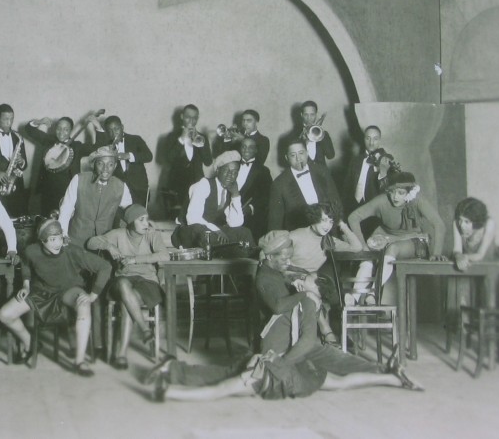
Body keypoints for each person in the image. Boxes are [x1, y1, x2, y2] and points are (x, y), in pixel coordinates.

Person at [149, 230, 421, 402]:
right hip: (280, 345)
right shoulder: (265, 279)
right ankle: (174, 372)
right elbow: (279, 306)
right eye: (282, 257)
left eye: (289, 255)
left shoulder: (276, 273)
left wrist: (302, 286)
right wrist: (306, 294)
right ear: (267, 256)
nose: (287, 261)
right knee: (230, 375)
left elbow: (291, 297)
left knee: (342, 363)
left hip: (292, 341)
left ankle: (387, 372)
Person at [0, 220, 111, 377]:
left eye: (59, 238)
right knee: (5, 314)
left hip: (69, 290)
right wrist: (26, 285)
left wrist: (93, 295)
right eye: (51, 240)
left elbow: (105, 267)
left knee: (84, 307)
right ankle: (30, 343)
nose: (57, 243)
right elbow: (25, 264)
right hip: (42, 291)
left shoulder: (72, 251)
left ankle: (80, 361)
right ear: (42, 241)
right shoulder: (32, 251)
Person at [86, 204, 170, 369]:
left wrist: (134, 260)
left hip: (147, 281)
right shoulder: (118, 234)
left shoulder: (152, 234)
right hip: (122, 280)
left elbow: (164, 255)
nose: (146, 223)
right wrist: (108, 246)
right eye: (141, 220)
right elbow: (91, 243)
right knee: (124, 284)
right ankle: (145, 329)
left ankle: (122, 354)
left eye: (147, 219)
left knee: (126, 303)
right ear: (131, 222)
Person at [347, 171, 446, 305]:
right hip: (387, 238)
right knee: (367, 255)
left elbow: (439, 225)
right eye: (392, 192)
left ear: (410, 192)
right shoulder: (382, 201)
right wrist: (363, 246)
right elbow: (353, 217)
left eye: (400, 193)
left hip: (414, 241)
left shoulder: (418, 200)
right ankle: (354, 297)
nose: (395, 197)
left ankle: (373, 293)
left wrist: (437, 253)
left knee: (392, 248)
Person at [289, 204, 363, 346]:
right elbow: (269, 252)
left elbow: (357, 247)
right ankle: (326, 331)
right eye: (323, 220)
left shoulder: (329, 241)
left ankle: (333, 331)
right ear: (313, 218)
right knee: (313, 283)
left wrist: (342, 224)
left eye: (331, 221)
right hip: (291, 278)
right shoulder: (296, 235)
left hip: (313, 279)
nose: (327, 225)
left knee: (323, 282)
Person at [172, 150, 254, 248]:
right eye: (227, 170)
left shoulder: (230, 189)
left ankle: (234, 251)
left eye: (235, 172)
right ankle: (227, 250)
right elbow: (192, 219)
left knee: (245, 232)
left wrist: (235, 195)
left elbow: (235, 223)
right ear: (218, 170)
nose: (230, 175)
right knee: (205, 235)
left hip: (212, 230)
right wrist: (216, 230)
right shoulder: (204, 184)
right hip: (190, 230)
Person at [57, 145, 133, 248]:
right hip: (76, 241)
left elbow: (130, 212)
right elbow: (66, 209)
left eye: (110, 164)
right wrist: (63, 235)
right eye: (101, 163)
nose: (105, 169)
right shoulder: (79, 179)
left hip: (103, 243)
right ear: (94, 164)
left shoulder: (121, 186)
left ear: (115, 166)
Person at [23, 115, 91, 217]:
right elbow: (29, 129)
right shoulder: (49, 140)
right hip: (48, 192)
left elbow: (96, 147)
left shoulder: (77, 146)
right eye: (59, 128)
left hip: (67, 192)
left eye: (65, 129)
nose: (61, 132)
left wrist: (95, 127)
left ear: (70, 131)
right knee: (47, 222)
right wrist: (39, 121)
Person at [268, 141, 342, 232]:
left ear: (307, 153)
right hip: (300, 237)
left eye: (301, 153)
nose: (298, 158)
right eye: (293, 155)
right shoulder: (279, 183)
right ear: (287, 158)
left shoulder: (322, 171)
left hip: (329, 231)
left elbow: (336, 203)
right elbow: (275, 222)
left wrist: (342, 231)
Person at [88, 114, 153, 208]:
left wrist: (129, 155)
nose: (114, 133)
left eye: (116, 129)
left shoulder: (135, 139)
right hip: (118, 190)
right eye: (110, 131)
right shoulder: (106, 145)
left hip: (139, 187)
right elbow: (97, 151)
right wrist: (98, 127)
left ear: (122, 127)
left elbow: (149, 156)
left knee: (139, 215)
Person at [161, 105, 212, 210]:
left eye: (195, 118)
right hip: (176, 184)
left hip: (197, 182)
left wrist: (201, 145)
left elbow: (208, 162)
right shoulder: (171, 137)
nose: (191, 121)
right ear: (182, 116)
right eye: (188, 117)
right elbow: (168, 159)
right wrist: (181, 139)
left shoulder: (202, 137)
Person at [235, 137, 272, 242]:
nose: (246, 150)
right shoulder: (232, 166)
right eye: (244, 146)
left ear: (256, 150)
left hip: (251, 218)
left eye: (250, 147)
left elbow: (267, 195)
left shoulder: (263, 171)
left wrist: (250, 208)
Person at [451, 197, 497, 270]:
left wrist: (464, 257)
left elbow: (480, 255)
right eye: (460, 220)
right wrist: (458, 256)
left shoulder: (489, 224)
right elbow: (457, 250)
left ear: (477, 222)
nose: (462, 225)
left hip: (490, 269)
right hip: (469, 267)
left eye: (467, 222)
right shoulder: (457, 223)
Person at [343, 125, 383, 210]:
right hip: (354, 207)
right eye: (368, 138)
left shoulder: (384, 160)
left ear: (379, 140)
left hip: (374, 209)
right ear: (363, 139)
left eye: (375, 139)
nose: (371, 143)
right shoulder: (355, 160)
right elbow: (347, 187)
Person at [295, 100, 335, 167]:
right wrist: (303, 141)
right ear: (301, 115)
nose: (309, 118)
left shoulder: (324, 134)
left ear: (316, 114)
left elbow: (330, 156)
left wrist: (320, 136)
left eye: (312, 114)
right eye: (306, 114)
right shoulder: (295, 135)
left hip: (322, 175)